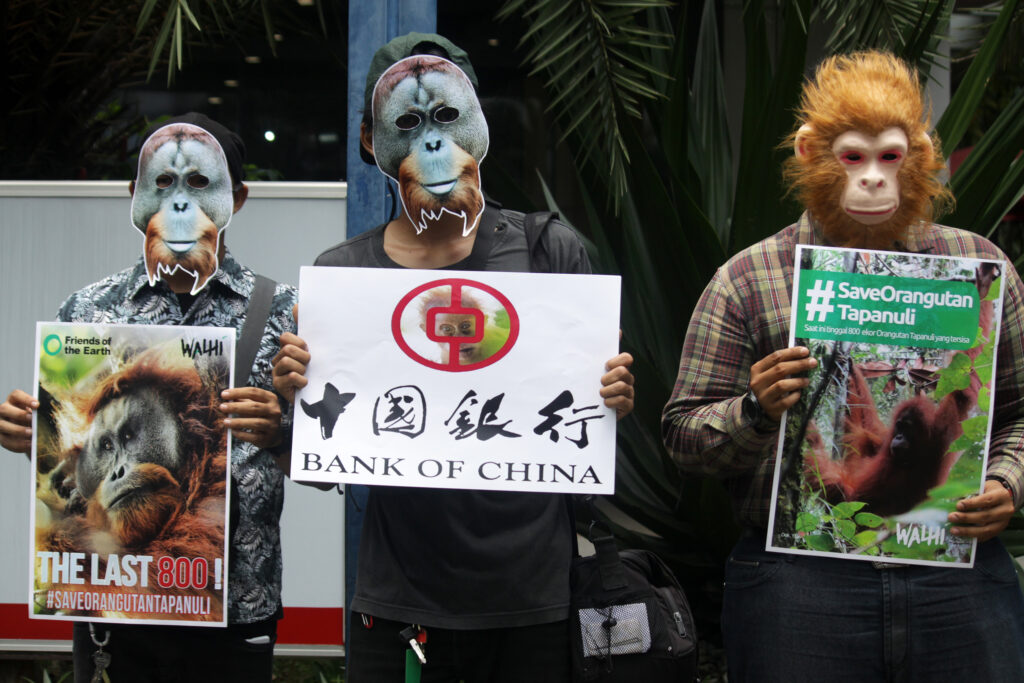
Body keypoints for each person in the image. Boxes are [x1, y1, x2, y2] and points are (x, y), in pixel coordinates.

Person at [271, 33, 635, 683]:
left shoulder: (549, 249)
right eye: (406, 124)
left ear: (482, 127)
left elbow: (585, 454)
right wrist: (297, 398)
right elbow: (324, 470)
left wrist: (610, 401)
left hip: (532, 600)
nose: (432, 142)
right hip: (402, 600)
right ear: (369, 142)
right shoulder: (344, 276)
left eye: (446, 116)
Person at [662, 51, 1024, 681]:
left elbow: (1020, 413)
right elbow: (683, 439)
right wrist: (756, 410)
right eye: (853, 157)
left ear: (921, 156)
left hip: (956, 577)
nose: (875, 179)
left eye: (891, 157)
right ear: (810, 155)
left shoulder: (978, 269)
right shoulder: (748, 278)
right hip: (801, 584)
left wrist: (1007, 482)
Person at [0, 113, 296, 683]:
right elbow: (59, 459)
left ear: (236, 197)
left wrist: (283, 429)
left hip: (235, 616)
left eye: (199, 185)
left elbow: (322, 463)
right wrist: (24, 434)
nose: (179, 206)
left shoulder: (283, 313)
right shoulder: (88, 311)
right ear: (133, 197)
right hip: (113, 620)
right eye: (162, 185)